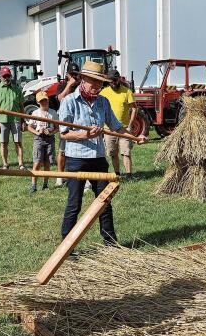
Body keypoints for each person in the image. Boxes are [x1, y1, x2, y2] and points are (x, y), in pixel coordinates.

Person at [58, 60, 146, 244]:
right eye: (93, 82)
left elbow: (116, 127)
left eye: (100, 83)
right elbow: (64, 134)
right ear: (83, 79)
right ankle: (67, 246)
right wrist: (85, 134)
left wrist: (135, 138)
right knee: (74, 204)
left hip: (98, 159)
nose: (97, 86)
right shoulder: (69, 102)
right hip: (76, 160)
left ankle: (110, 244)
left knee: (104, 203)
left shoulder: (103, 102)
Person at [100, 70, 137, 179]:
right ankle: (117, 174)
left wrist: (130, 125)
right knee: (113, 153)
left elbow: (134, 108)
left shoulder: (127, 92)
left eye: (115, 80)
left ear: (119, 79)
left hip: (124, 128)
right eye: (111, 81)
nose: (114, 83)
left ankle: (129, 175)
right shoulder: (103, 93)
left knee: (126, 152)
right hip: (108, 130)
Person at [0, 67, 26, 170]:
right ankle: (5, 164)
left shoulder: (17, 89)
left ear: (10, 76)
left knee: (18, 142)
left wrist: (23, 121)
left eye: (8, 76)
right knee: (3, 143)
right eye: (4, 76)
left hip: (16, 120)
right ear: (1, 77)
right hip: (2, 120)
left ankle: (21, 164)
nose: (6, 78)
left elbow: (21, 107)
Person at [26, 91, 57, 193]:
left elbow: (57, 128)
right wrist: (37, 132)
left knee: (48, 163)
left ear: (48, 99)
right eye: (42, 101)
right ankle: (33, 186)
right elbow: (29, 127)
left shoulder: (53, 113)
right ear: (38, 102)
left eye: (45, 100)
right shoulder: (35, 113)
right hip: (39, 140)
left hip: (50, 139)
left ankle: (45, 185)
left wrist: (51, 132)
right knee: (37, 163)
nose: (44, 102)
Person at [54, 72, 78, 187]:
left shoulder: (80, 86)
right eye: (72, 74)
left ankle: (76, 176)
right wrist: (69, 85)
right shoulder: (63, 85)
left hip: (77, 121)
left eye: (76, 74)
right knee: (62, 151)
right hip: (65, 120)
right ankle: (60, 176)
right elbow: (60, 99)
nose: (75, 77)